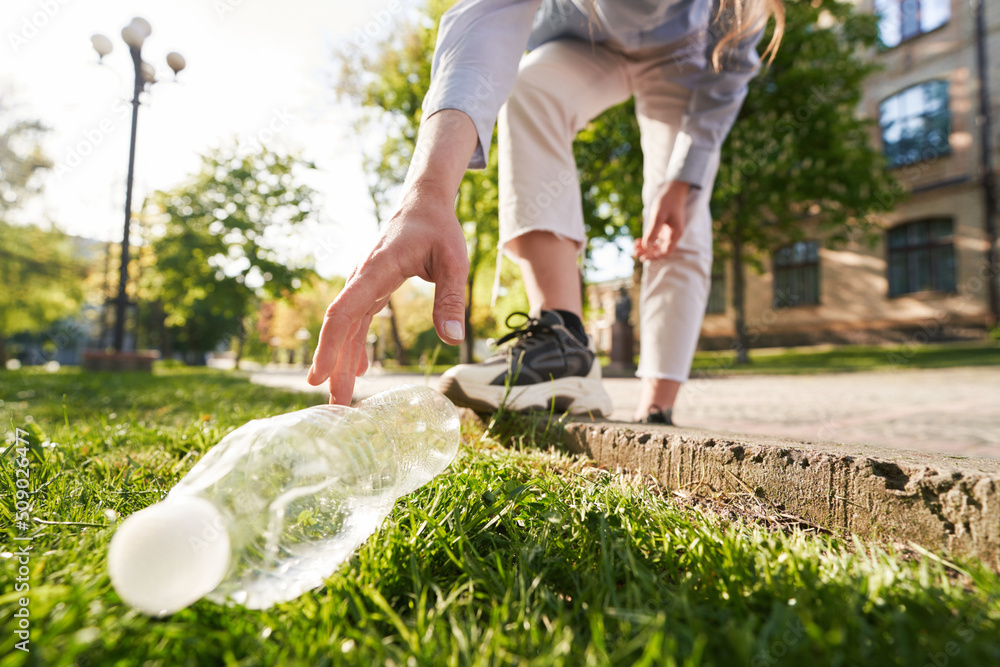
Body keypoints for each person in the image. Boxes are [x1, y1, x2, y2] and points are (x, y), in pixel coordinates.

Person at [308, 0, 784, 423]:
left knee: (680, 213)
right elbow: (485, 19)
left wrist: (681, 184)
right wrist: (428, 191)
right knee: (530, 92)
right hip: (590, 37)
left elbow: (728, 78)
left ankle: (659, 405)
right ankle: (563, 343)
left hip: (691, 55)